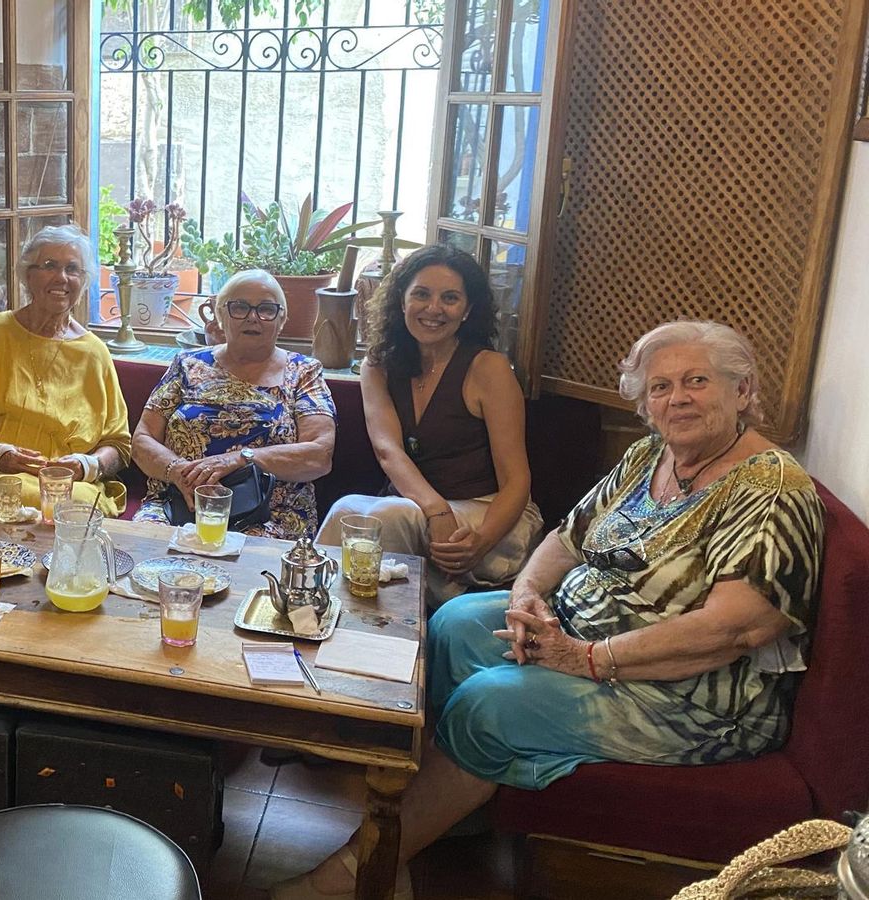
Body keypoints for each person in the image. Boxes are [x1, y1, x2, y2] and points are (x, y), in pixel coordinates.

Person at [272, 321, 824, 899]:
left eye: (697, 381)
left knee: (487, 704)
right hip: (581, 629)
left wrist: (587, 658)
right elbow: (567, 537)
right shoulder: (650, 456)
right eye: (660, 387)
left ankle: (366, 866)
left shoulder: (771, 488)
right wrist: (526, 596)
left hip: (692, 695)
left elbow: (736, 628)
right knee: (454, 623)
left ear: (742, 390)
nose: (676, 398)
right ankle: (448, 814)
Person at [316, 244, 542, 606]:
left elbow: (517, 482)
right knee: (346, 511)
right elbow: (388, 451)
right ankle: (311, 612)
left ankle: (382, 630)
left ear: (468, 310)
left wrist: (480, 541)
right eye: (421, 294)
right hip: (418, 509)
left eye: (450, 298)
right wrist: (436, 509)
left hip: (489, 515)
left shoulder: (489, 368)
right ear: (401, 300)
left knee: (390, 515)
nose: (434, 308)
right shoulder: (377, 366)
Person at [0, 224, 132, 516]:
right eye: (49, 265)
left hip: (66, 485)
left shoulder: (95, 353)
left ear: (83, 281)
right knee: (17, 493)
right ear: (27, 275)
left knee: (75, 505)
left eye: (72, 269)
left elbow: (118, 444)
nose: (61, 277)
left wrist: (86, 465)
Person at [130, 269, 336, 539]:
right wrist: (180, 473)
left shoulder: (303, 372)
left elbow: (319, 455)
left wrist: (240, 459)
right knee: (146, 546)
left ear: (282, 319)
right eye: (239, 307)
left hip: (270, 514)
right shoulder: (187, 364)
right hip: (178, 505)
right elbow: (142, 440)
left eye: (266, 309)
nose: (253, 317)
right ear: (220, 314)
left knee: (245, 558)